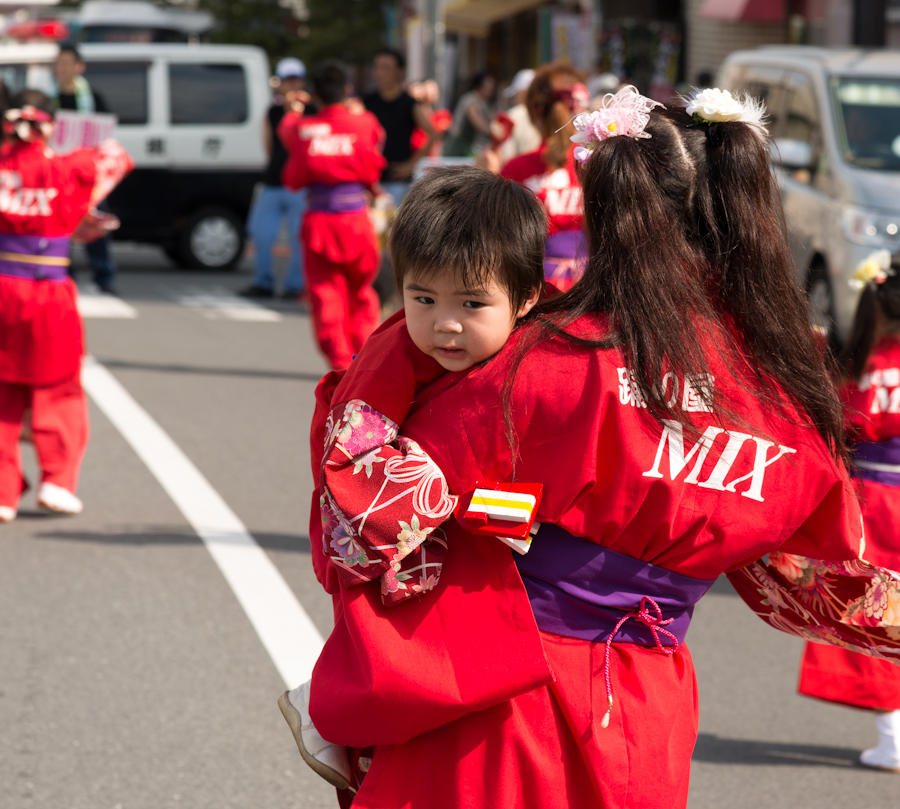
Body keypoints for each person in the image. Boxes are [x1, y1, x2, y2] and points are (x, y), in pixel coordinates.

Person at [296, 87, 900, 808]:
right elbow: (816, 580)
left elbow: (370, 517)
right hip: (646, 703)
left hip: (501, 693)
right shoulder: (784, 393)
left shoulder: (540, 364)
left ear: (609, 209)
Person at [277, 167, 546, 789]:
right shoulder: (391, 354)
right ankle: (330, 708)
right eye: (422, 299)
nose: (443, 324)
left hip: (451, 509)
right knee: (402, 647)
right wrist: (479, 505)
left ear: (527, 298)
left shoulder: (541, 337)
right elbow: (353, 462)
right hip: (384, 519)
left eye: (471, 303)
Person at [0, 91, 131, 522]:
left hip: (3, 284)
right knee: (59, 387)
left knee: (4, 390)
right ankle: (57, 480)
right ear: (50, 125)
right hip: (48, 287)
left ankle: (2, 488)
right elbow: (117, 156)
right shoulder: (69, 166)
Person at [797, 249, 900, 772]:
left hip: (876, 504)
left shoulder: (858, 369)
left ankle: (893, 734)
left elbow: (836, 437)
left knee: (874, 611)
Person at [279, 60, 385, 370]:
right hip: (357, 220)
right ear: (347, 90)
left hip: (321, 223)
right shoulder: (364, 122)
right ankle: (366, 362)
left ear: (314, 93)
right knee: (362, 295)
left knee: (327, 298)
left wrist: (293, 112)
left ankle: (343, 366)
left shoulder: (305, 129)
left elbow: (293, 173)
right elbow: (375, 147)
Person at [501, 62, 590, 291]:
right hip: (593, 290)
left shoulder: (516, 169)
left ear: (533, 112)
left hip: (534, 292)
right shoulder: (599, 163)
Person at [241, 57, 309, 299]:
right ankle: (263, 281)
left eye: (295, 80)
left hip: (300, 186)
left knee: (299, 238)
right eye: (286, 80)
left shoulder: (312, 110)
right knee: (261, 234)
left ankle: (295, 286)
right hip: (273, 182)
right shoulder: (272, 111)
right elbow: (269, 147)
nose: (291, 85)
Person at [53, 44, 118, 295]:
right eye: (59, 63)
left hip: (87, 172)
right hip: (59, 172)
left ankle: (104, 275)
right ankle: (65, 275)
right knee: (60, 228)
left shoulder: (93, 98)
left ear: (80, 67)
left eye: (68, 63)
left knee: (95, 224)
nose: (62, 68)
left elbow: (105, 133)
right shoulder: (50, 98)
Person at [362, 50, 436, 208]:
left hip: (398, 181)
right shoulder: (366, 102)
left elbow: (433, 133)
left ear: (399, 71)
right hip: (369, 182)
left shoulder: (410, 104)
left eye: (386, 68)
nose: (380, 73)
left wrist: (412, 163)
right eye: (377, 67)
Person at [442, 73, 495, 159]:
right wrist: (494, 132)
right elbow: (479, 124)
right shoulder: (470, 100)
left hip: (466, 146)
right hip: (456, 146)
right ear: (479, 87)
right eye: (488, 87)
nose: (491, 89)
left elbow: (492, 117)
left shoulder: (483, 103)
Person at [497, 69, 541, 163]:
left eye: (515, 94)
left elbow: (505, 157)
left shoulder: (510, 116)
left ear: (523, 92)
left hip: (516, 174)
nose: (513, 99)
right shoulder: (545, 115)